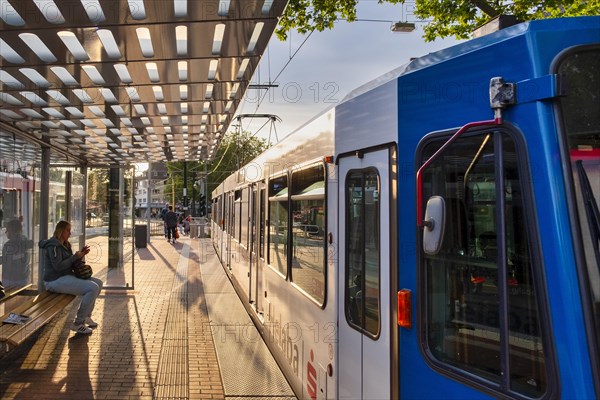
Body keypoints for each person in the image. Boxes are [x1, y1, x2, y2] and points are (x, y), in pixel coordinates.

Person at [39, 221, 103, 335]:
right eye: (68, 230)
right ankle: (78, 323)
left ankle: (87, 315)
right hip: (54, 280)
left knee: (99, 283)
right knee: (92, 288)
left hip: (65, 276)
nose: (70, 233)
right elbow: (58, 267)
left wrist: (81, 255)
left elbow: (70, 262)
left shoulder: (65, 244)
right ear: (61, 231)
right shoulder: (54, 246)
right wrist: (74, 257)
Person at [1, 219, 33, 288]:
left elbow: (8, 265)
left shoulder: (8, 245)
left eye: (7, 230)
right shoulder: (26, 242)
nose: (6, 232)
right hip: (25, 279)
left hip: (12, 281)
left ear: (11, 231)